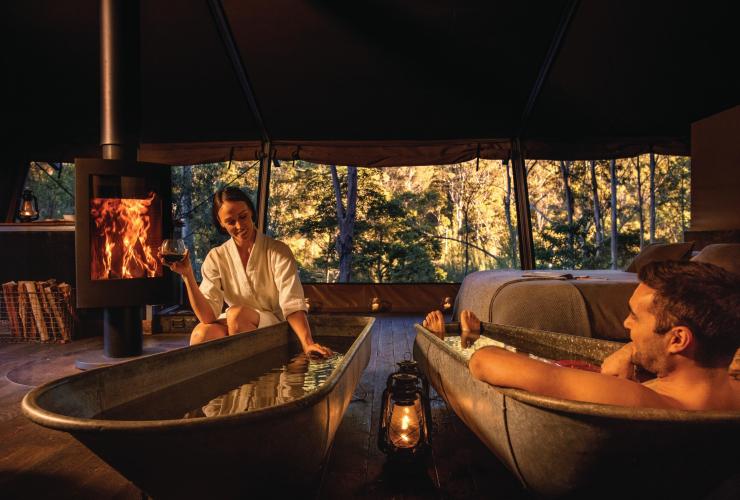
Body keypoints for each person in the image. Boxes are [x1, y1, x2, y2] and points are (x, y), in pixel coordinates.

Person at [423, 261, 740, 411]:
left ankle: (466, 337)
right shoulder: (727, 383)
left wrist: (479, 346)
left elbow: (484, 363)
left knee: (487, 353)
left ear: (678, 340)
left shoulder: (641, 400)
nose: (625, 323)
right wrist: (629, 351)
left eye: (634, 316)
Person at [163, 186, 331, 357]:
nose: (239, 225)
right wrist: (187, 275)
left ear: (251, 211)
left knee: (236, 315)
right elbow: (208, 316)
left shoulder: (278, 251)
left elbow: (292, 302)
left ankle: (247, 370)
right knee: (201, 334)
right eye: (230, 222)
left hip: (271, 322)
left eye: (243, 216)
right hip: (234, 320)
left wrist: (307, 343)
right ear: (221, 223)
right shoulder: (216, 257)